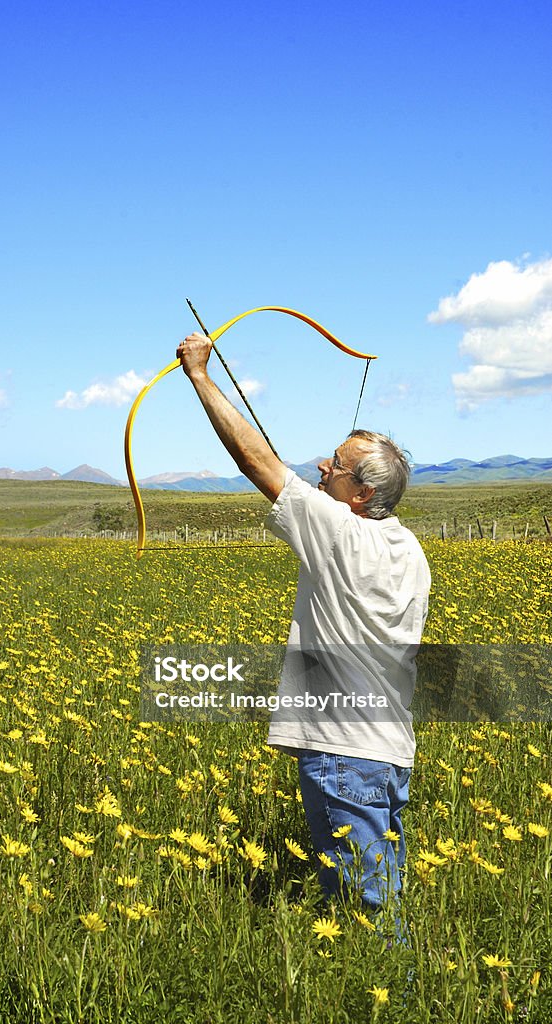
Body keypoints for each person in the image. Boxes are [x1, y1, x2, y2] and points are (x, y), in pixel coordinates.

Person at [176, 331, 431, 925]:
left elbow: (257, 462)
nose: (322, 466)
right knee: (377, 896)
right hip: (390, 754)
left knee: (366, 914)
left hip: (344, 751)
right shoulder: (410, 547)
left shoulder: (340, 531)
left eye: (336, 466)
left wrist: (199, 376)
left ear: (363, 494)